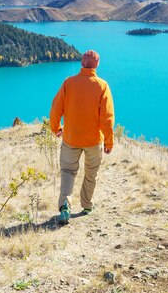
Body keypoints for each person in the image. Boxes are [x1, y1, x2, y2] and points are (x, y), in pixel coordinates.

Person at [49, 50, 114, 225]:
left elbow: (56, 109)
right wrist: (109, 141)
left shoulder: (68, 83)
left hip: (71, 139)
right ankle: (87, 206)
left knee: (68, 172)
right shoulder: (102, 86)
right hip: (93, 141)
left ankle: (64, 206)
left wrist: (56, 128)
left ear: (81, 63)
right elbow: (107, 118)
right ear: (97, 64)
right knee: (91, 173)